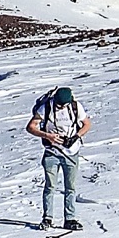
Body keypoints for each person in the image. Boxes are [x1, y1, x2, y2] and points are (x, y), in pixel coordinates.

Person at [25, 86, 91, 230]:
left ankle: (70, 219)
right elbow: (31, 127)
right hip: (52, 152)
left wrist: (76, 137)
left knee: (70, 187)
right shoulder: (46, 108)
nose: (60, 107)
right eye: (58, 104)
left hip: (71, 152)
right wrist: (47, 135)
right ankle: (47, 218)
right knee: (50, 186)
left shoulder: (75, 107)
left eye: (63, 105)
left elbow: (87, 124)